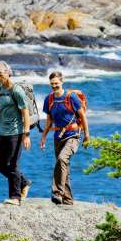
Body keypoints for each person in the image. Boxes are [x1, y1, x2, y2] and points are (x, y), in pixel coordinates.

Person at [40, 71, 90, 205]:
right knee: (63, 167)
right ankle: (68, 200)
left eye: (56, 83)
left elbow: (83, 116)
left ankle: (57, 192)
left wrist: (86, 135)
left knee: (62, 159)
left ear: (62, 82)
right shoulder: (49, 99)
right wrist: (43, 137)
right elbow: (49, 120)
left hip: (73, 135)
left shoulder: (71, 97)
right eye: (52, 84)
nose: (54, 86)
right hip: (58, 136)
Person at [0, 61, 32, 206]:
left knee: (12, 164)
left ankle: (15, 197)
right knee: (0, 165)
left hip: (16, 132)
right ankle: (24, 182)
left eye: (1, 74)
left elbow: (25, 113)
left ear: (8, 73)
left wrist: (26, 135)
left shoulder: (16, 90)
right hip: (2, 132)